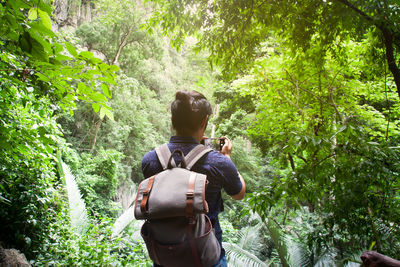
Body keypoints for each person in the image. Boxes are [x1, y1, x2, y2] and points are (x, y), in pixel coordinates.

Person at [141, 90, 246, 267]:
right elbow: (239, 193)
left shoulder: (151, 160)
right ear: (205, 121)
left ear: (173, 120)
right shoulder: (218, 162)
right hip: (205, 256)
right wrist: (227, 157)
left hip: (164, 256)